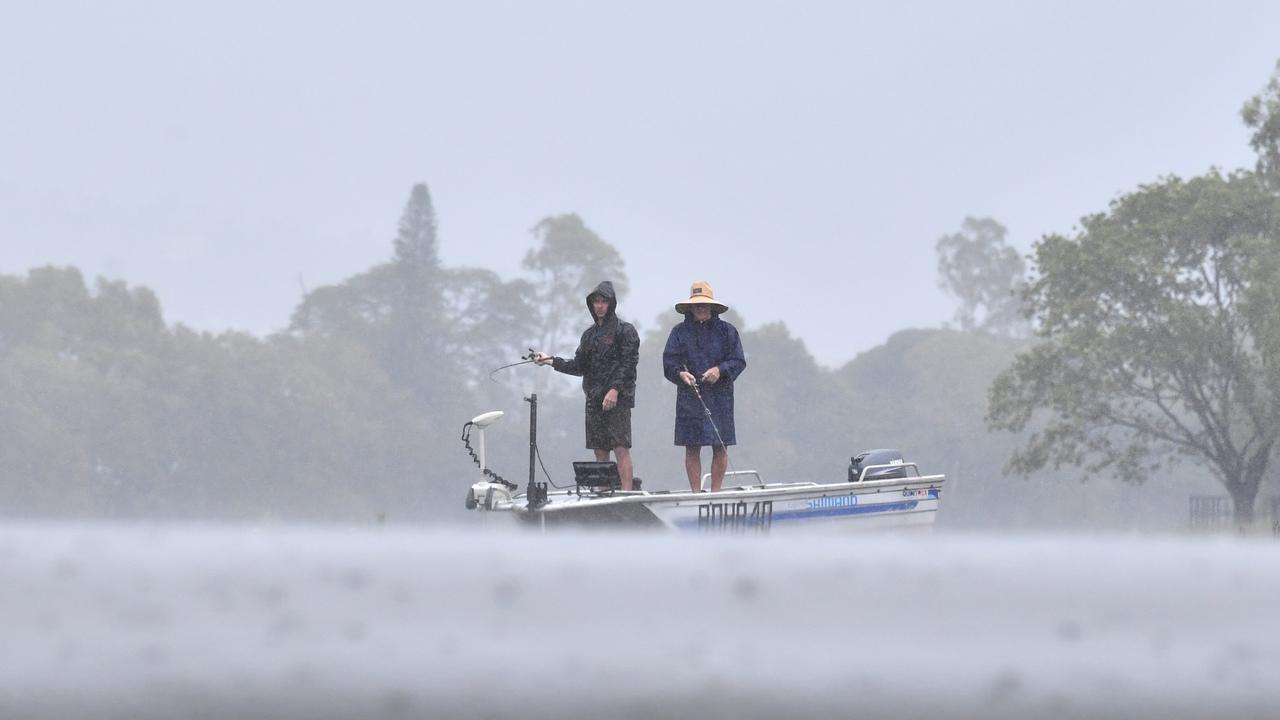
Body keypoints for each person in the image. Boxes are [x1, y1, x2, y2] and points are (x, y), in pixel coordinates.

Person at [534, 281, 640, 490]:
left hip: (618, 399)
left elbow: (629, 364)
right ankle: (603, 490)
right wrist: (550, 360)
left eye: (604, 302)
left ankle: (627, 493)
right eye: (596, 302)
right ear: (591, 305)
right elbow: (579, 366)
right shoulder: (589, 335)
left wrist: (614, 390)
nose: (599, 306)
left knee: (620, 447)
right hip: (593, 399)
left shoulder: (625, 331)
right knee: (600, 449)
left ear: (611, 304)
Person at [662, 280, 746, 492]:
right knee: (692, 447)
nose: (700, 308)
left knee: (721, 445)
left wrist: (720, 370)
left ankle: (715, 492)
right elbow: (669, 363)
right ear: (690, 307)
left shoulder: (728, 332)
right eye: (696, 304)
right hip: (690, 398)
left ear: (711, 306)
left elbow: (738, 361)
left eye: (703, 304)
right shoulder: (679, 332)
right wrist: (681, 374)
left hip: (721, 397)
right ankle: (696, 494)